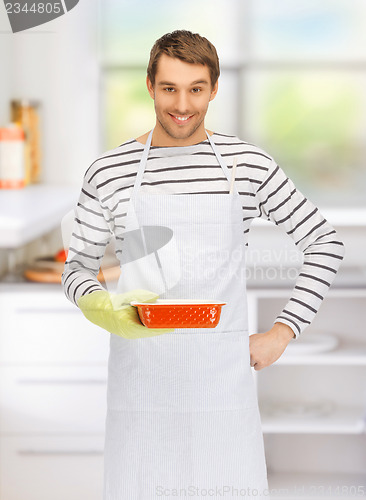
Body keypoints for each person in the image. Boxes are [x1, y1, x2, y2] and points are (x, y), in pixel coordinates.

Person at [61, 30, 345, 499]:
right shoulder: (109, 171)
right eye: (169, 88)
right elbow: (77, 268)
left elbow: (324, 241)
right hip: (143, 387)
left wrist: (282, 332)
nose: (182, 104)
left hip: (221, 385)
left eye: (196, 88)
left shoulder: (247, 165)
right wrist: (100, 305)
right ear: (150, 86)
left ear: (214, 89)